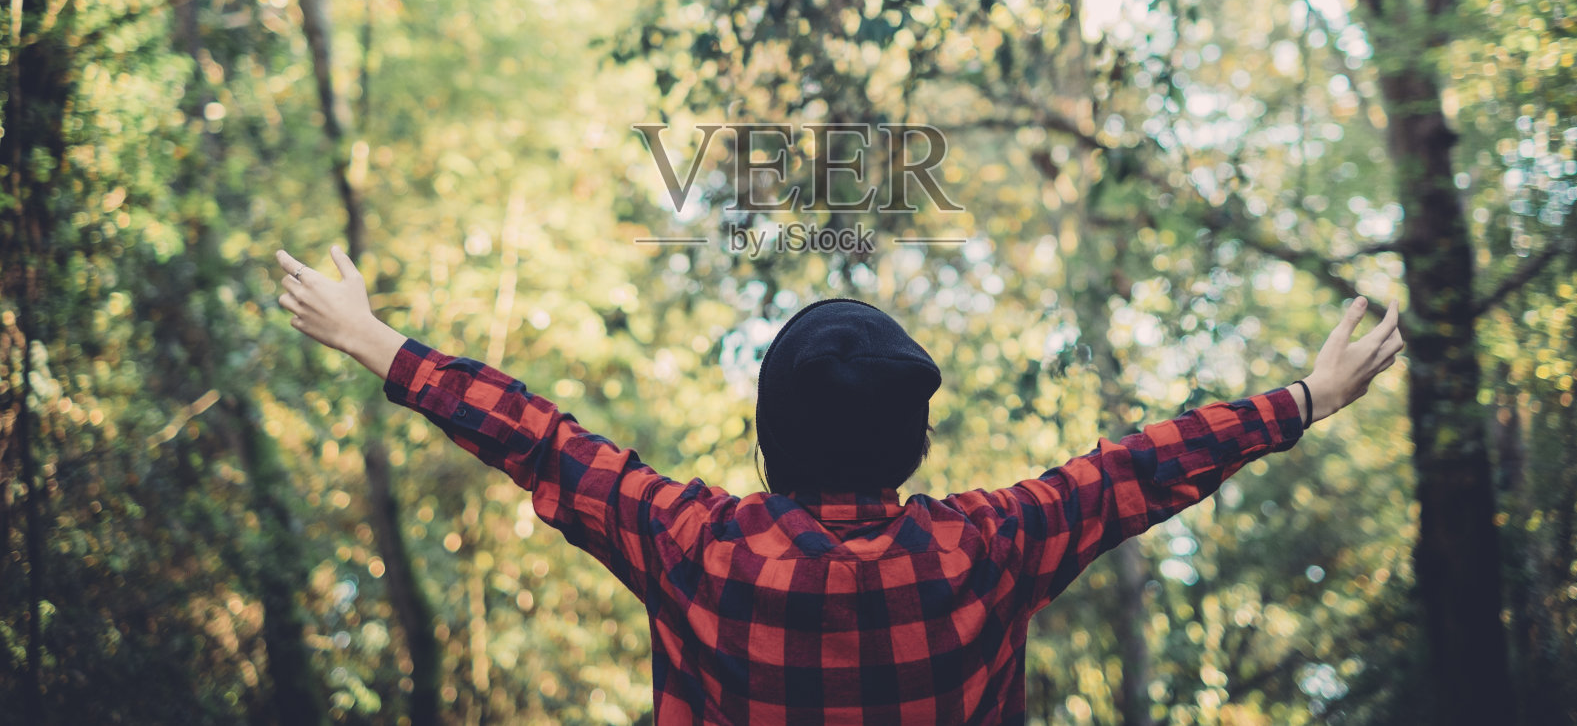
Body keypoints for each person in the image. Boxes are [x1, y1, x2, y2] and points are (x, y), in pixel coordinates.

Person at [275, 245, 1404, 725]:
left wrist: (376, 339)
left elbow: (536, 438)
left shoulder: (697, 550)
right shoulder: (986, 550)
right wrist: (1306, 396)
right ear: (913, 450)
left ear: (766, 442)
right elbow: (1142, 467)